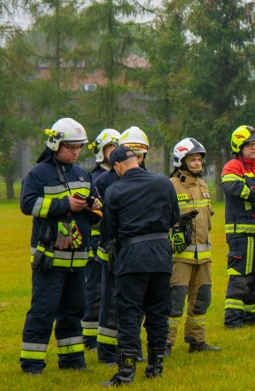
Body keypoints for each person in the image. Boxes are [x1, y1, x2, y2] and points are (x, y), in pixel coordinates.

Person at [19, 118, 98, 374]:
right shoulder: (38, 173)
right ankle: (32, 364)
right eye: (71, 147)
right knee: (43, 310)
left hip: (77, 259)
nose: (76, 152)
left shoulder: (84, 175)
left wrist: (94, 208)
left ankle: (73, 361)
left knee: (74, 311)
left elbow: (96, 207)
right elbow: (27, 205)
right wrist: (65, 205)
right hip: (49, 259)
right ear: (56, 145)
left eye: (79, 148)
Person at [100, 146, 179, 386]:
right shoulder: (164, 182)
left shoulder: (115, 189)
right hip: (161, 255)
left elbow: (108, 231)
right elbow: (174, 218)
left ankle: (126, 373)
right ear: (136, 160)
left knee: (129, 315)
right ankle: (155, 367)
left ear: (117, 166)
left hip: (132, 257)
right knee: (158, 313)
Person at [94, 126, 149, 364]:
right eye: (132, 153)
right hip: (112, 251)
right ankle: (106, 353)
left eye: (141, 154)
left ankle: (132, 348)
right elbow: (100, 219)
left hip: (138, 253)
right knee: (110, 303)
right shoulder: (104, 181)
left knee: (137, 303)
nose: (136, 158)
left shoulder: (150, 179)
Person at [166, 138, 220, 354]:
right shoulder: (170, 186)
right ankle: (164, 344)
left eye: (199, 159)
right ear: (181, 161)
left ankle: (197, 341)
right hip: (180, 257)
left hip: (203, 257)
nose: (198, 163)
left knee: (202, 299)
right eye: (193, 159)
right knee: (174, 301)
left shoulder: (203, 186)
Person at [221, 126, 255, 328]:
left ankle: (250, 316)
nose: (253, 148)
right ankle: (233, 319)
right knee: (241, 276)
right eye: (249, 145)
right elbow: (233, 186)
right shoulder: (232, 166)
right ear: (239, 146)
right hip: (242, 233)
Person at [83, 128, 119, 352]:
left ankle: (105, 336)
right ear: (101, 151)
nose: (114, 151)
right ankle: (89, 338)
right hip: (94, 242)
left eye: (116, 147)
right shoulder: (95, 178)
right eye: (109, 148)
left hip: (111, 243)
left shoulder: (119, 175)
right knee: (95, 291)